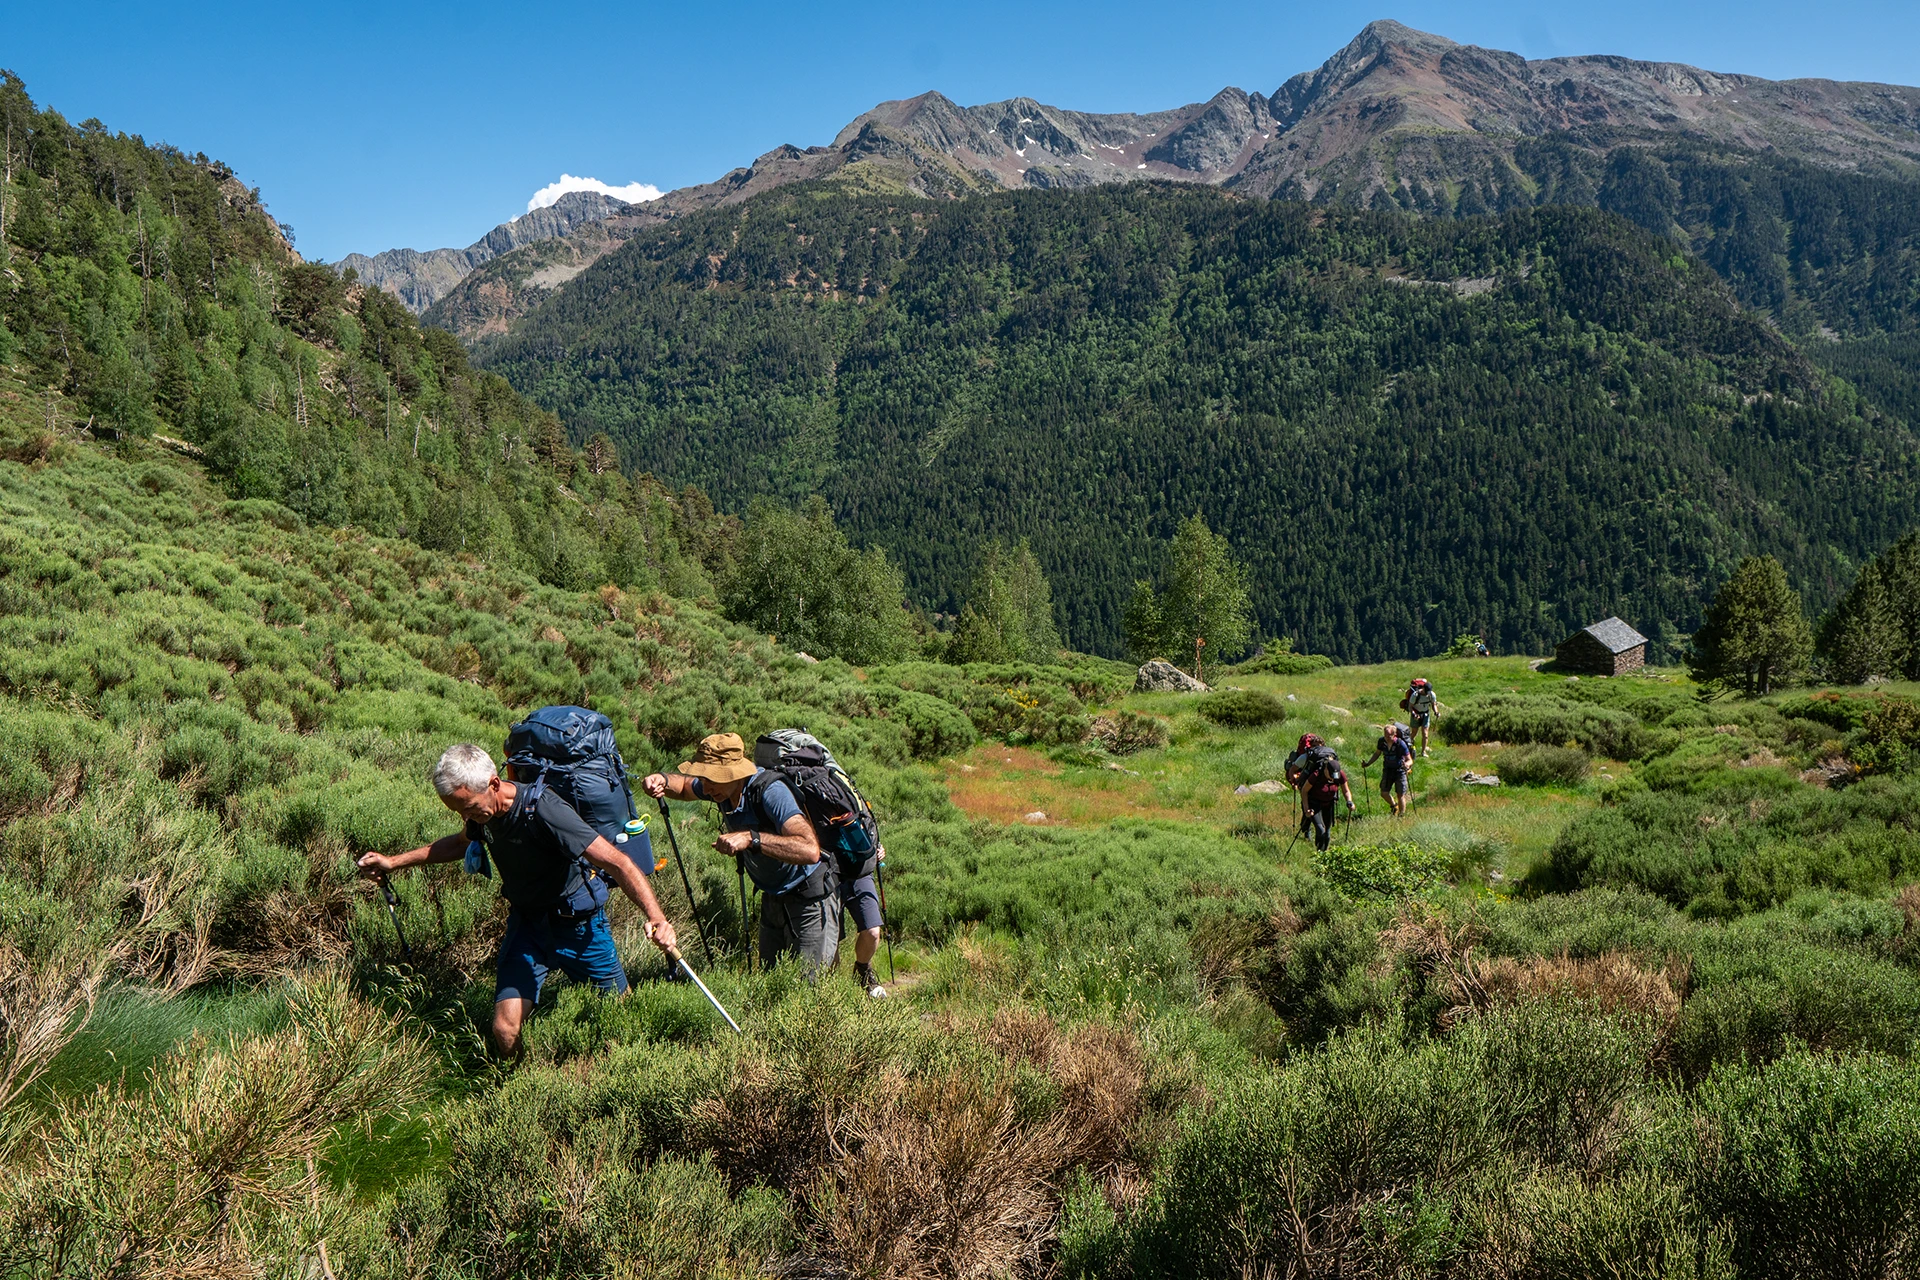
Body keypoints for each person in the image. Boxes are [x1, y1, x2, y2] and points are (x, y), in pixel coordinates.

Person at [357, 743, 678, 1058]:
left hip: (580, 927)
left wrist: (657, 917)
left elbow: (618, 862)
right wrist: (392, 862)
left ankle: (629, 1071)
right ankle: (521, 1084)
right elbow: (458, 844)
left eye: (468, 807)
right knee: (504, 1029)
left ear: (494, 784)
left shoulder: (545, 811)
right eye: (458, 810)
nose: (466, 816)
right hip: (527, 926)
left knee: (618, 1016)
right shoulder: (483, 814)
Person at [643, 733, 838, 975]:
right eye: (703, 778)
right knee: (771, 982)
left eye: (711, 779)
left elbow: (810, 850)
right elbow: (683, 786)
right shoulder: (718, 788)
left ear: (733, 773)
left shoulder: (770, 792)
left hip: (809, 896)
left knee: (807, 986)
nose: (704, 786)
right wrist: (660, 780)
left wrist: (750, 838)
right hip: (773, 895)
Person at [1284, 732, 1355, 852]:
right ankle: (1316, 848)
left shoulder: (1338, 772)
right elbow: (1304, 790)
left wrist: (1349, 801)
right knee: (1320, 829)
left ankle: (1323, 854)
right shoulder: (1315, 772)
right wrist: (1294, 783)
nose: (1332, 778)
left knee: (1327, 832)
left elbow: (1346, 789)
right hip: (1313, 801)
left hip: (1329, 802)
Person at [1363, 722, 1415, 816]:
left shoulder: (1400, 744)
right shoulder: (1382, 742)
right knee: (1384, 793)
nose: (1386, 737)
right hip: (1387, 770)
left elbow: (1409, 760)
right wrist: (1368, 763)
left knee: (1400, 794)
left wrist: (1406, 765)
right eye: (1385, 735)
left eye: (1389, 735)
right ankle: (1394, 806)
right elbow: (1377, 753)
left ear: (1394, 734)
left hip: (1400, 771)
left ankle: (1401, 816)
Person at [1404, 677, 1440, 757]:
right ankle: (1406, 747)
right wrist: (1413, 714)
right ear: (1423, 688)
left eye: (1428, 692)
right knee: (1414, 733)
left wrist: (1436, 712)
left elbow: (1434, 704)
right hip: (1416, 714)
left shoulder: (1431, 694)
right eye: (1426, 691)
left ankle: (1423, 752)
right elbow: (1410, 706)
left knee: (1425, 734)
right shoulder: (1415, 695)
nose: (1427, 693)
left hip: (1426, 715)